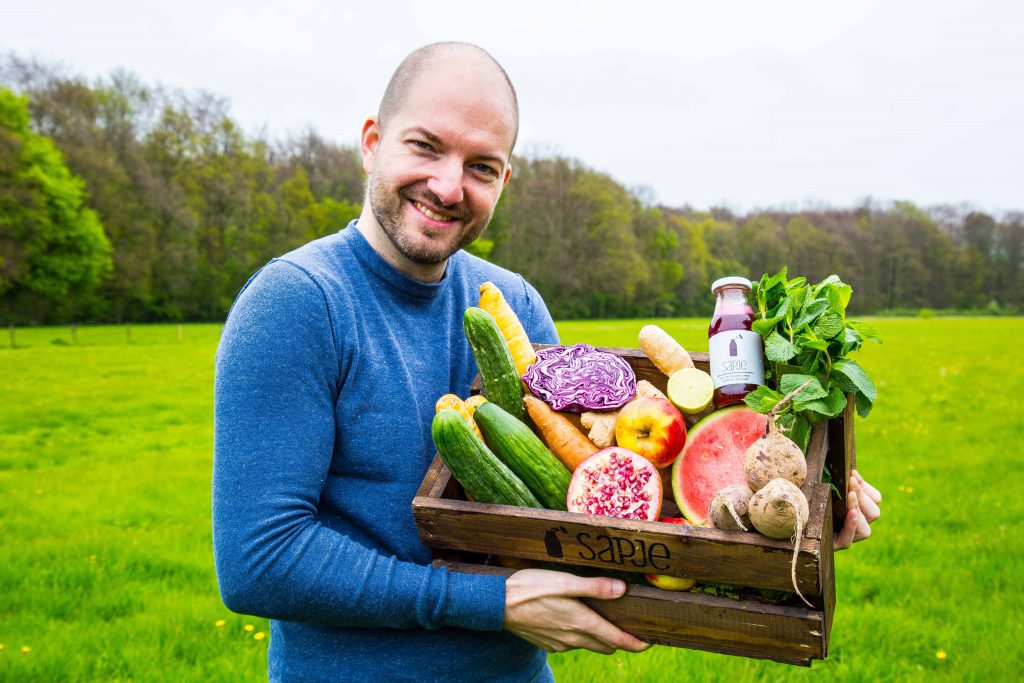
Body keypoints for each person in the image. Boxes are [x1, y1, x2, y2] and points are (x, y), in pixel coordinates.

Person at [213, 42, 881, 683]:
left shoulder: (517, 306)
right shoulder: (298, 303)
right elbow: (259, 559)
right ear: (371, 141)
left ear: (504, 179)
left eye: (481, 166)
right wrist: (487, 602)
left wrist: (789, 535)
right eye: (425, 146)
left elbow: (583, 532)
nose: (449, 185)